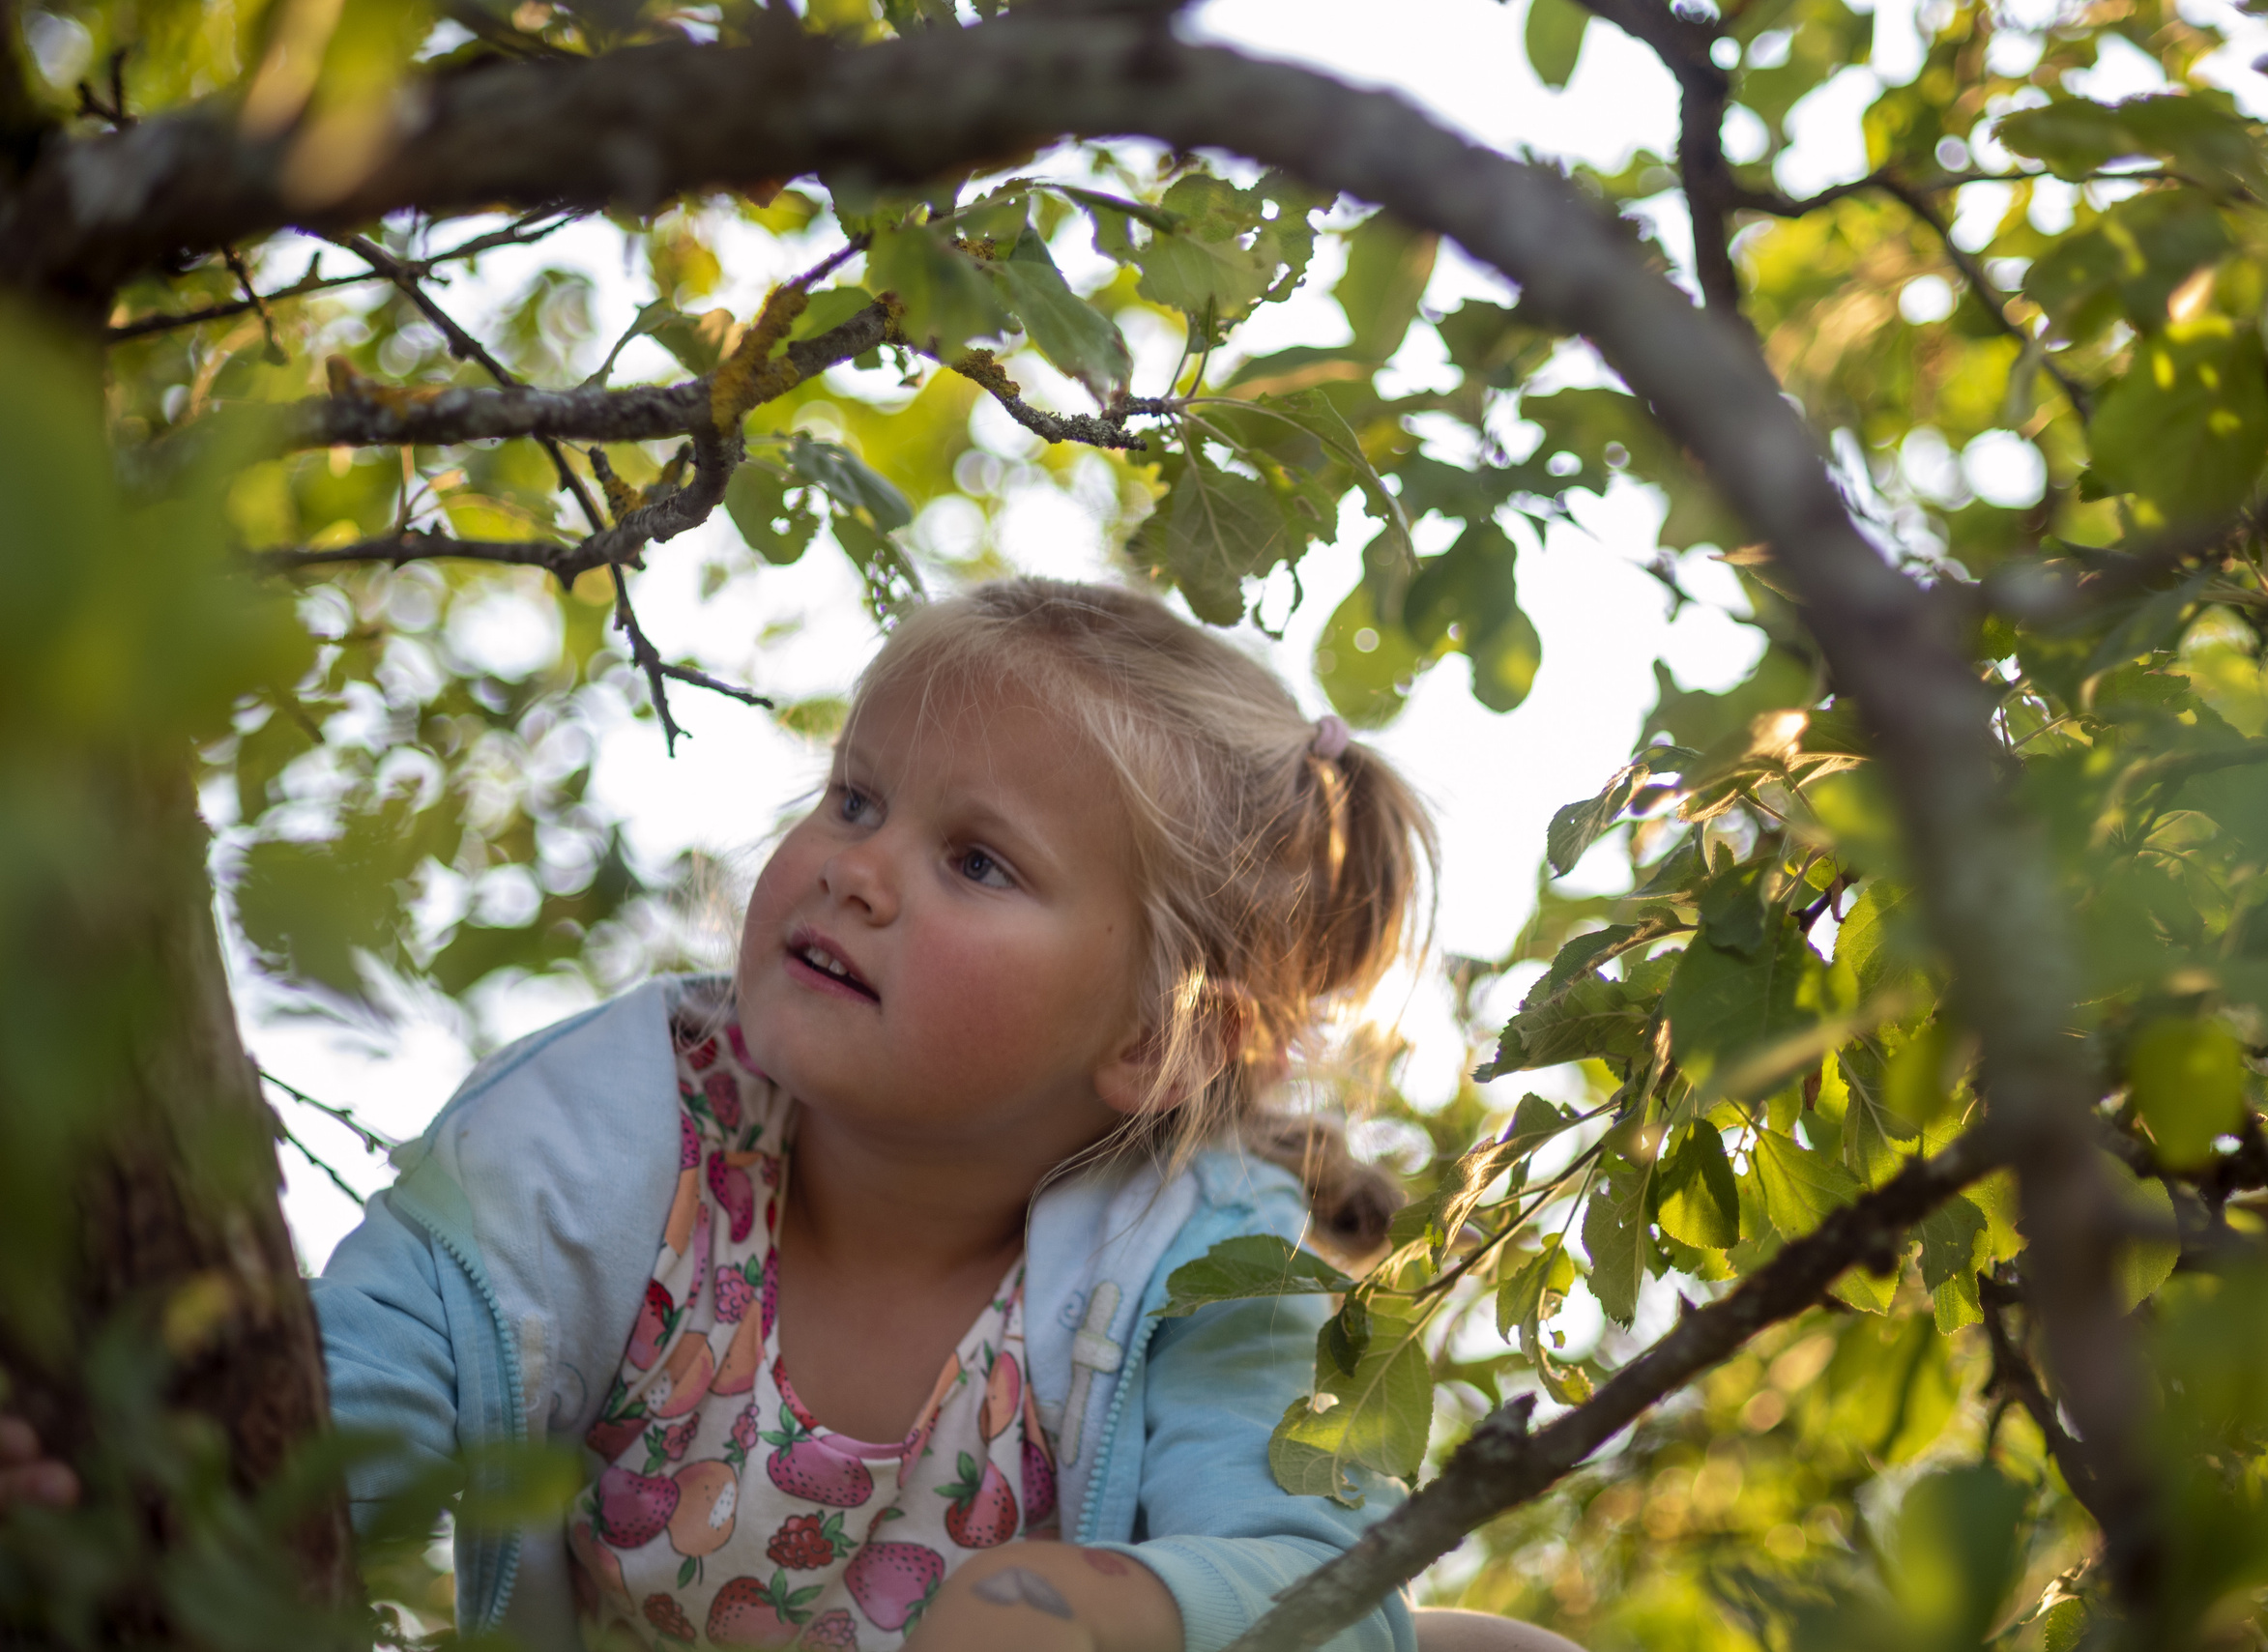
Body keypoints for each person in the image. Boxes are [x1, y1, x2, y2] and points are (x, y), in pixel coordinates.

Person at [4, 579, 1583, 1652]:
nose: (855, 864)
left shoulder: (1208, 1268)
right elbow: (370, 1382)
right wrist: (172, 1481)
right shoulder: (616, 1128)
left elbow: (1328, 1568)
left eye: (978, 859)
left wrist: (1119, 1606)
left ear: (1160, 1045)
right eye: (854, 795)